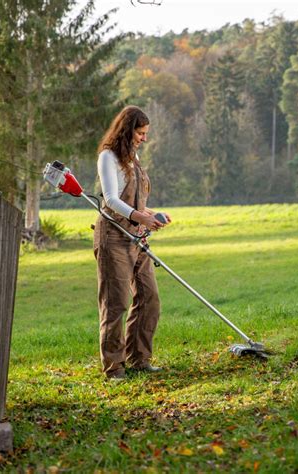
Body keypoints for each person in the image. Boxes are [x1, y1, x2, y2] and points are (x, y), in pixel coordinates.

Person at [93, 105, 171, 381]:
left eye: (146, 133)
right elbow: (112, 200)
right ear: (127, 131)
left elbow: (135, 202)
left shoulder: (133, 158)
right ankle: (114, 367)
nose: (144, 138)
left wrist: (152, 214)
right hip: (113, 238)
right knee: (115, 303)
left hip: (136, 237)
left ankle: (140, 359)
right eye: (140, 132)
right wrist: (142, 217)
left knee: (150, 298)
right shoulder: (108, 157)